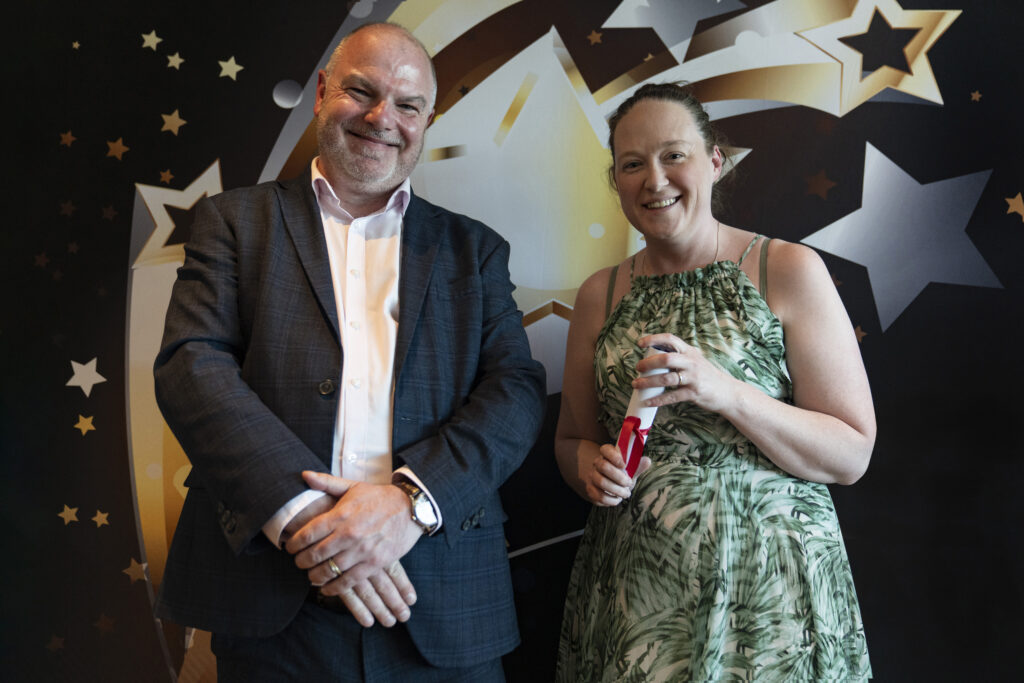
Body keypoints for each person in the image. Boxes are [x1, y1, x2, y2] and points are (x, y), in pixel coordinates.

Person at [153, 22, 546, 681]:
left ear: (427, 121)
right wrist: (311, 523)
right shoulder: (234, 221)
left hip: (442, 600)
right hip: (272, 602)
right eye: (361, 91)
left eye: (407, 104)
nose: (381, 117)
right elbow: (192, 366)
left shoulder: (474, 250)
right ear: (321, 95)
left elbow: (516, 390)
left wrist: (411, 501)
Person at [554, 82, 874, 681]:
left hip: (773, 596)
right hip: (638, 595)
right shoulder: (601, 293)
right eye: (632, 164)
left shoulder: (786, 268)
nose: (655, 179)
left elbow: (851, 453)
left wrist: (725, 392)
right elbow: (572, 439)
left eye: (674, 155)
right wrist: (589, 468)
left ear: (715, 161)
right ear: (616, 180)